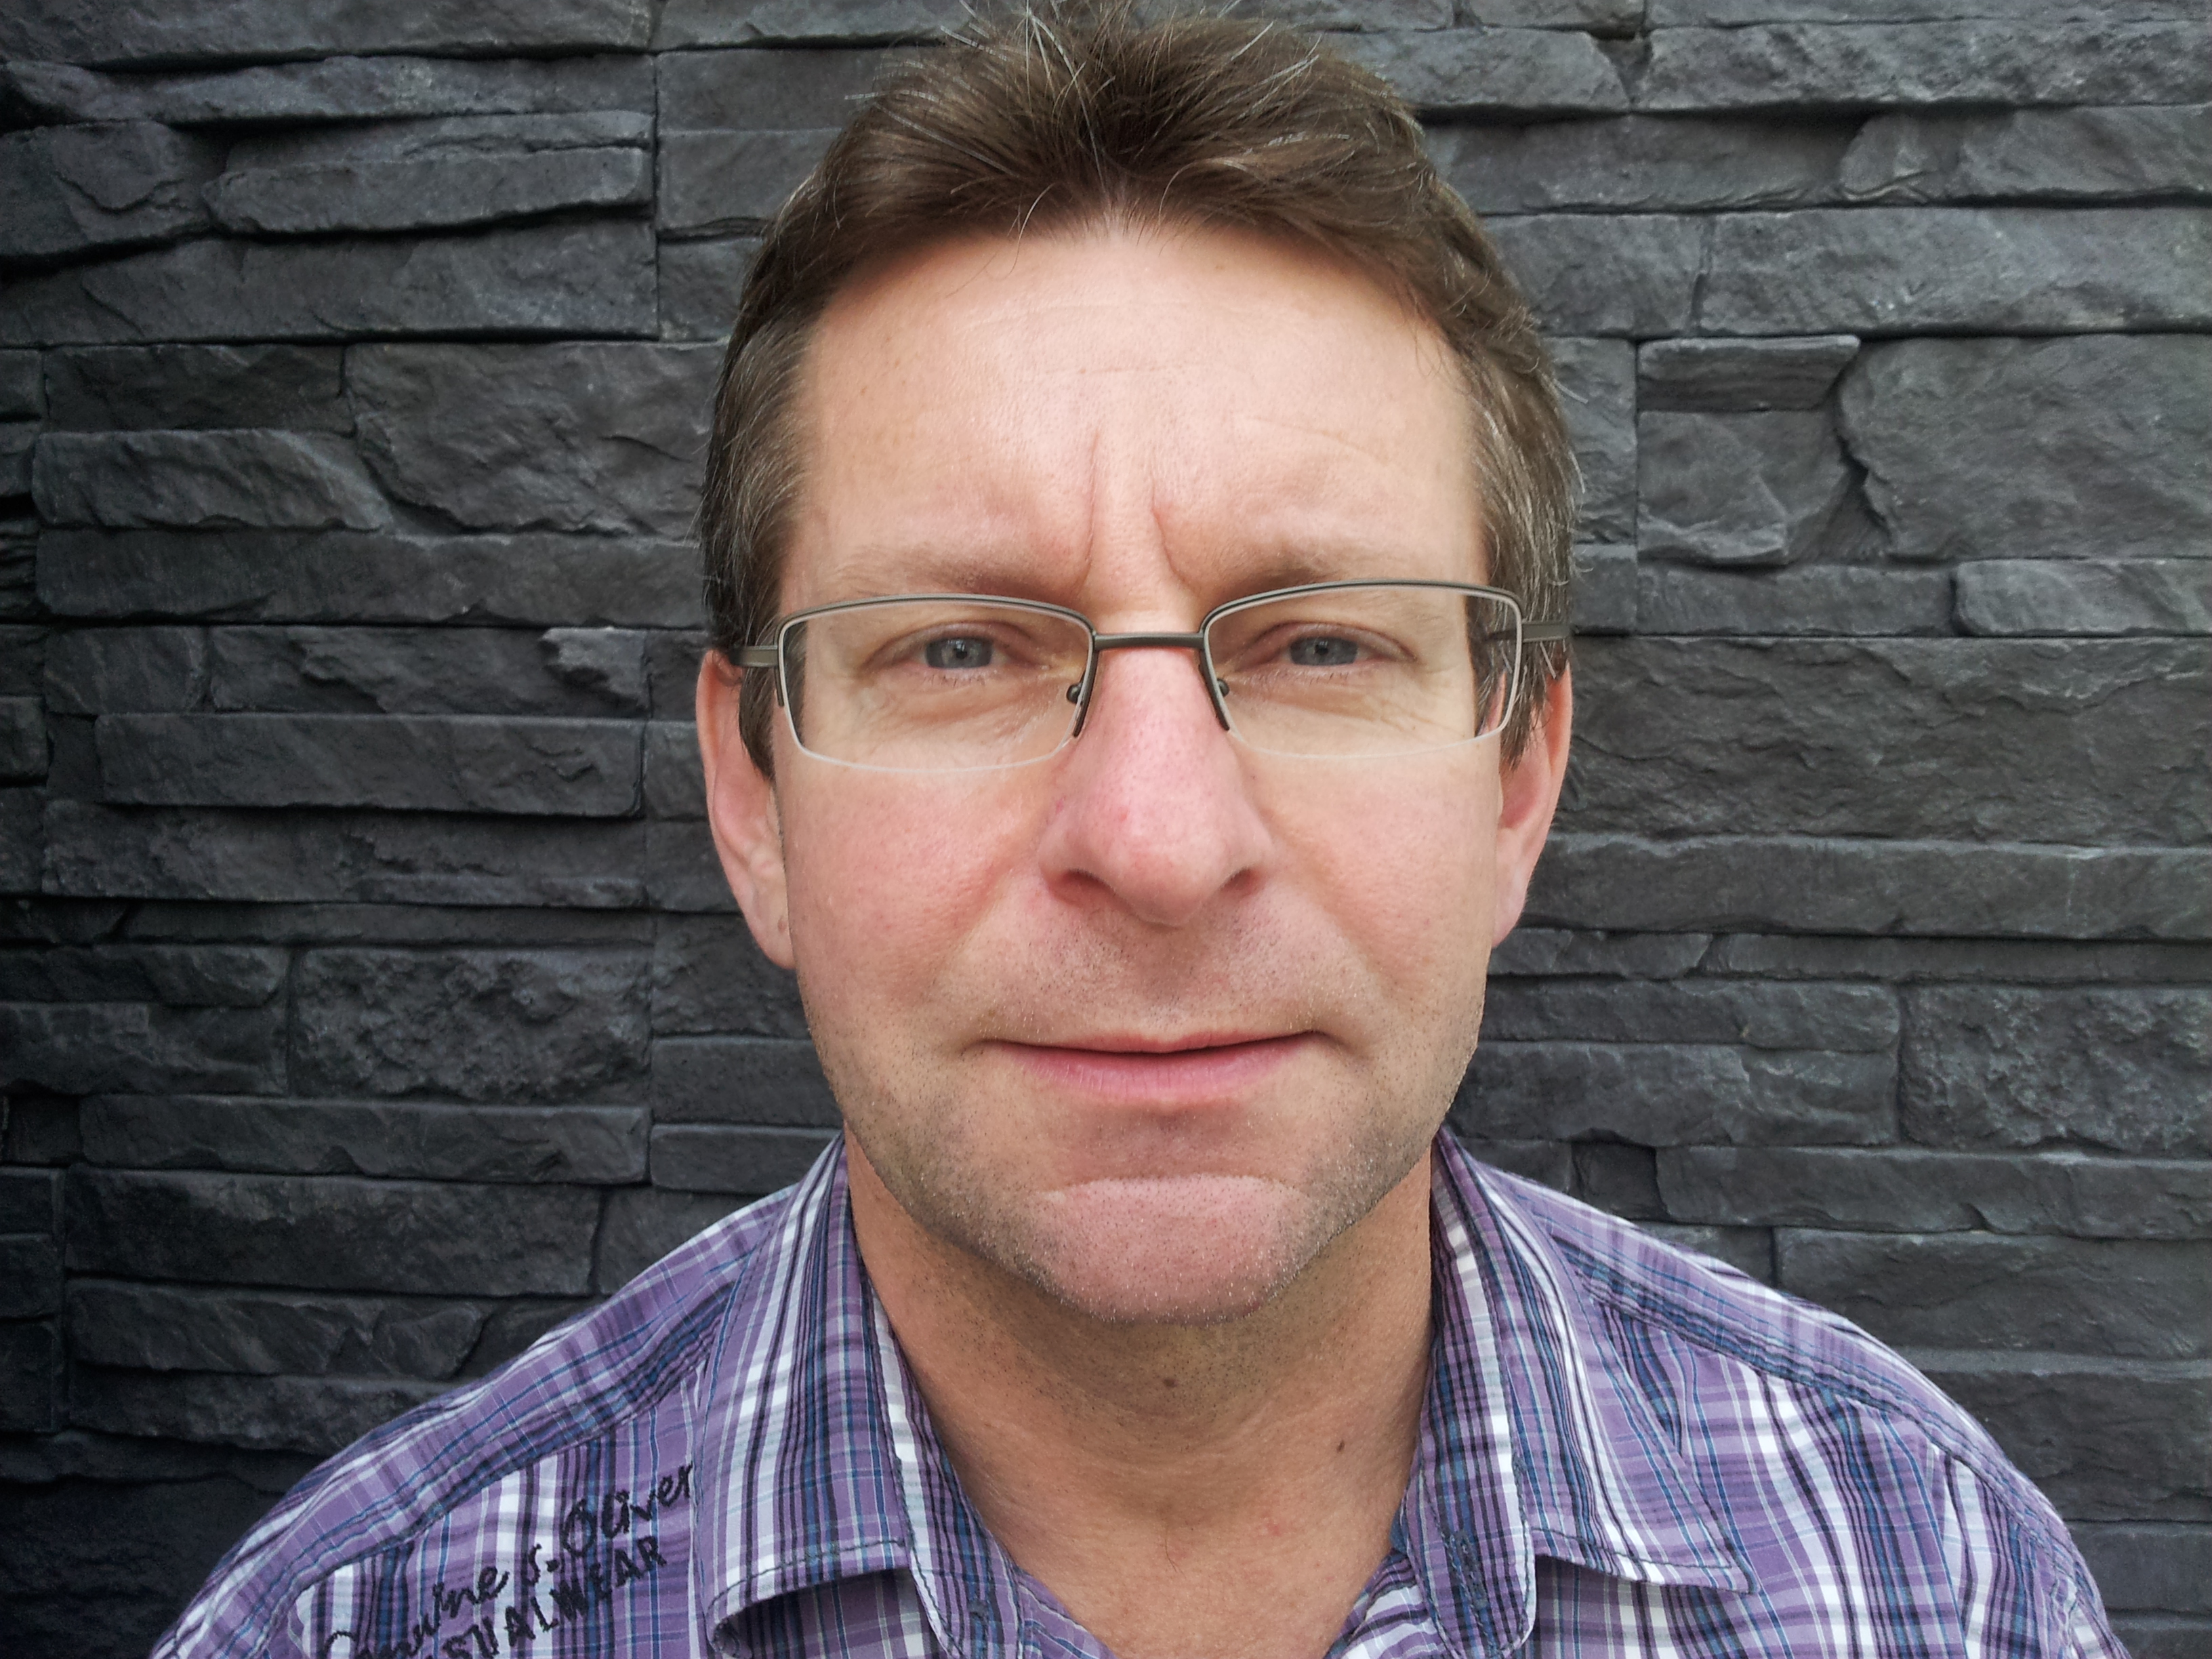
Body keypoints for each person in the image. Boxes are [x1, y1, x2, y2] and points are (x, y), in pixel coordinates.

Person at [159, 9, 2123, 1657]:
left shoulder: (1926, 1577)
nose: (1161, 842)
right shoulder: (354, 1625)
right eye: (958, 649)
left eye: (1324, 643)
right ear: (753, 798)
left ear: (1517, 782)